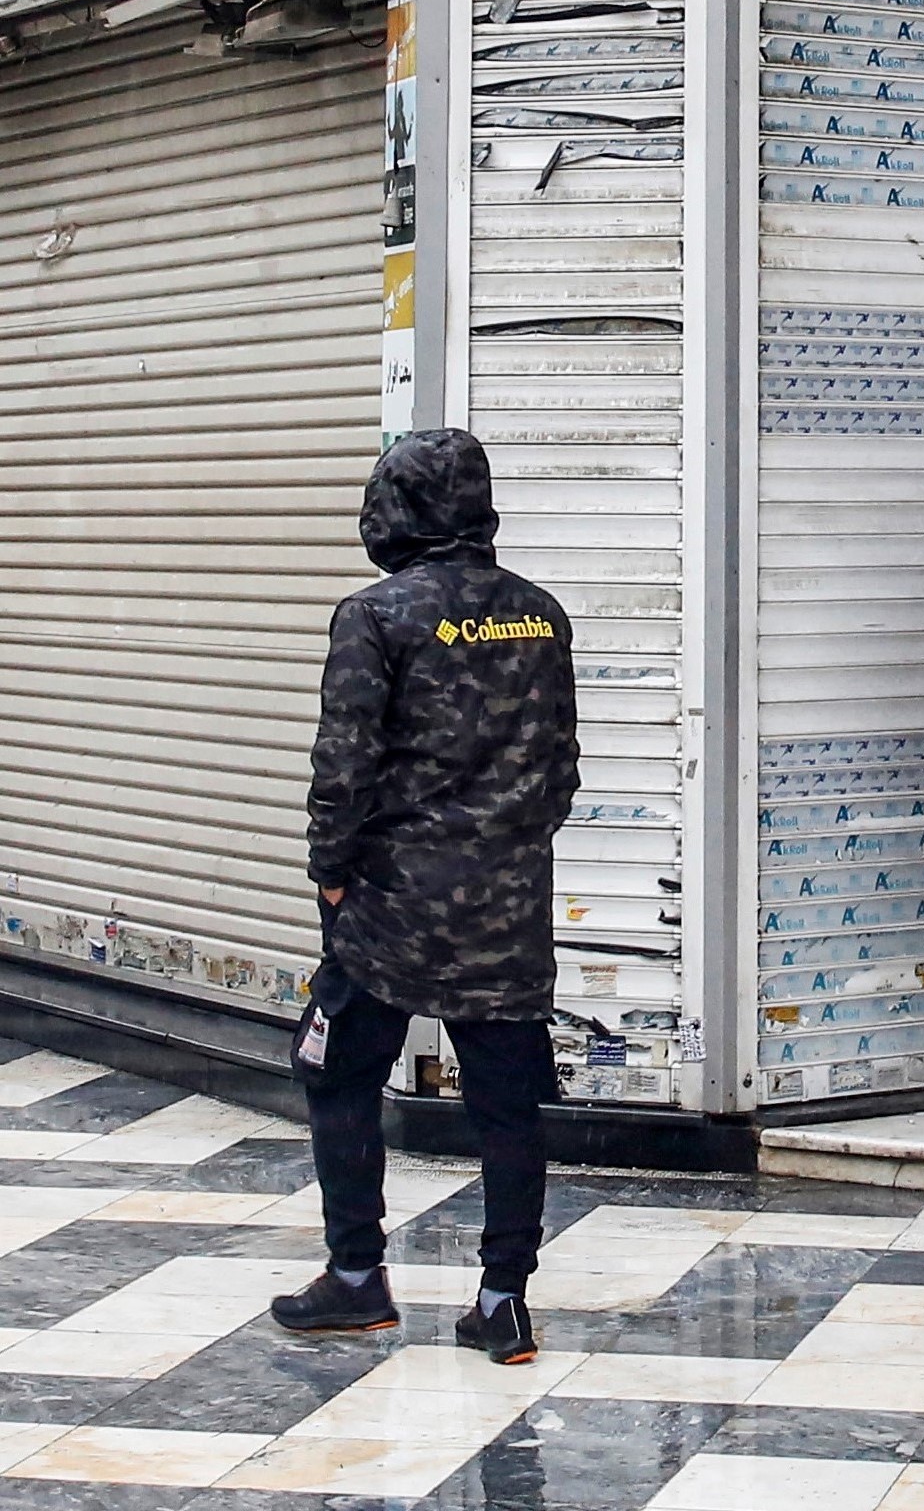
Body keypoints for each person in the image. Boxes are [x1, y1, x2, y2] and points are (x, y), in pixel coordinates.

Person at [271, 429, 576, 1366]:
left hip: (391, 905)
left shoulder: (377, 615)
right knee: (509, 1103)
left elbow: (344, 763)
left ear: (393, 506)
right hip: (509, 899)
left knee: (335, 1069)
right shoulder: (539, 613)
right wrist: (511, 848)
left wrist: (331, 864)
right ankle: (503, 1301)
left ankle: (357, 1280)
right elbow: (560, 767)